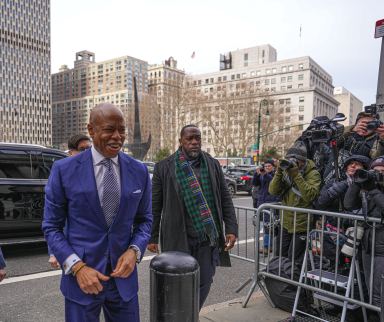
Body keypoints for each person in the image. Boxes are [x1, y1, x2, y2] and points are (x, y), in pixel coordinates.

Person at [42, 103, 152, 322]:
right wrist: (77, 267)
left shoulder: (139, 170)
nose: (117, 136)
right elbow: (51, 227)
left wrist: (134, 251)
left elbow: (145, 220)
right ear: (91, 130)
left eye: (122, 130)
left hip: (124, 281)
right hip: (82, 280)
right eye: (110, 129)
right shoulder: (63, 170)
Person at [147, 124, 238, 309]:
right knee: (177, 282)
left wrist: (231, 228)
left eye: (198, 138)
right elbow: (155, 206)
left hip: (207, 238)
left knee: (205, 280)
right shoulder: (164, 167)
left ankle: (190, 314)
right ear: (181, 141)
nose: (195, 142)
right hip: (178, 237)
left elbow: (225, 198)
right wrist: (152, 236)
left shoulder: (211, 164)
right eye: (190, 139)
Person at [344, 156, 384, 316]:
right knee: (372, 292)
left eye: (382, 172)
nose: (378, 175)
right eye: (375, 171)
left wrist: (374, 190)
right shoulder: (369, 187)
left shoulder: (374, 191)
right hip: (368, 247)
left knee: (379, 294)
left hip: (382, 250)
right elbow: (348, 204)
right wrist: (357, 182)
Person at [269, 145, 321, 261]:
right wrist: (279, 172)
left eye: (296, 162)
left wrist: (296, 175)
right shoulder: (285, 171)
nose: (293, 164)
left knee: (295, 258)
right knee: (279, 255)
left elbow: (310, 196)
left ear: (303, 162)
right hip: (285, 222)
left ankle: (293, 278)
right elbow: (272, 191)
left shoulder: (313, 174)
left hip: (301, 224)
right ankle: (278, 277)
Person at [48, 134, 92, 269]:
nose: (86, 153)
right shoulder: (62, 172)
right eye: (82, 149)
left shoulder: (96, 171)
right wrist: (54, 252)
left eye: (89, 149)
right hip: (71, 246)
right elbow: (54, 223)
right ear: (71, 152)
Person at [322, 111, 384, 183]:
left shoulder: (377, 140)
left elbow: (376, 159)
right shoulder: (345, 134)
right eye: (363, 123)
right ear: (356, 124)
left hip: (358, 182)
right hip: (331, 178)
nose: (366, 126)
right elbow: (332, 143)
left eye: (370, 124)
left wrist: (382, 140)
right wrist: (351, 130)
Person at [252, 160, 280, 252]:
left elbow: (272, 182)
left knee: (269, 225)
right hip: (262, 202)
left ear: (273, 167)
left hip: (271, 202)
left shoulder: (275, 175)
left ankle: (266, 246)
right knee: (265, 225)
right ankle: (269, 246)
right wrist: (256, 174)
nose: (267, 167)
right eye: (266, 166)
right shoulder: (262, 175)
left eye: (269, 166)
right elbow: (255, 183)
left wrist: (265, 174)